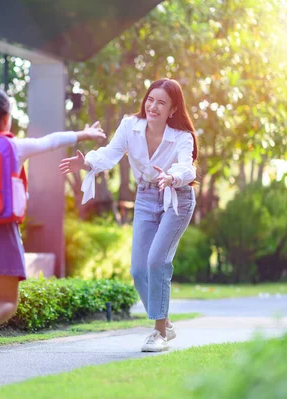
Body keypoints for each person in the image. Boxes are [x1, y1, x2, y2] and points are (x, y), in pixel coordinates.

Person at [0, 85, 105, 383]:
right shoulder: (11, 147)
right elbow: (49, 141)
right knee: (6, 303)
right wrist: (84, 135)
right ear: (5, 118)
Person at [58, 78, 197, 352]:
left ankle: (158, 333)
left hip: (176, 199)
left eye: (161, 103)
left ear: (172, 110)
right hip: (145, 197)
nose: (153, 106)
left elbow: (187, 168)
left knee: (157, 261)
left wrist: (171, 176)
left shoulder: (182, 137)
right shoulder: (129, 127)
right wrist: (86, 162)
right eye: (150, 99)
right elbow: (110, 155)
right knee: (137, 270)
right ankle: (165, 322)